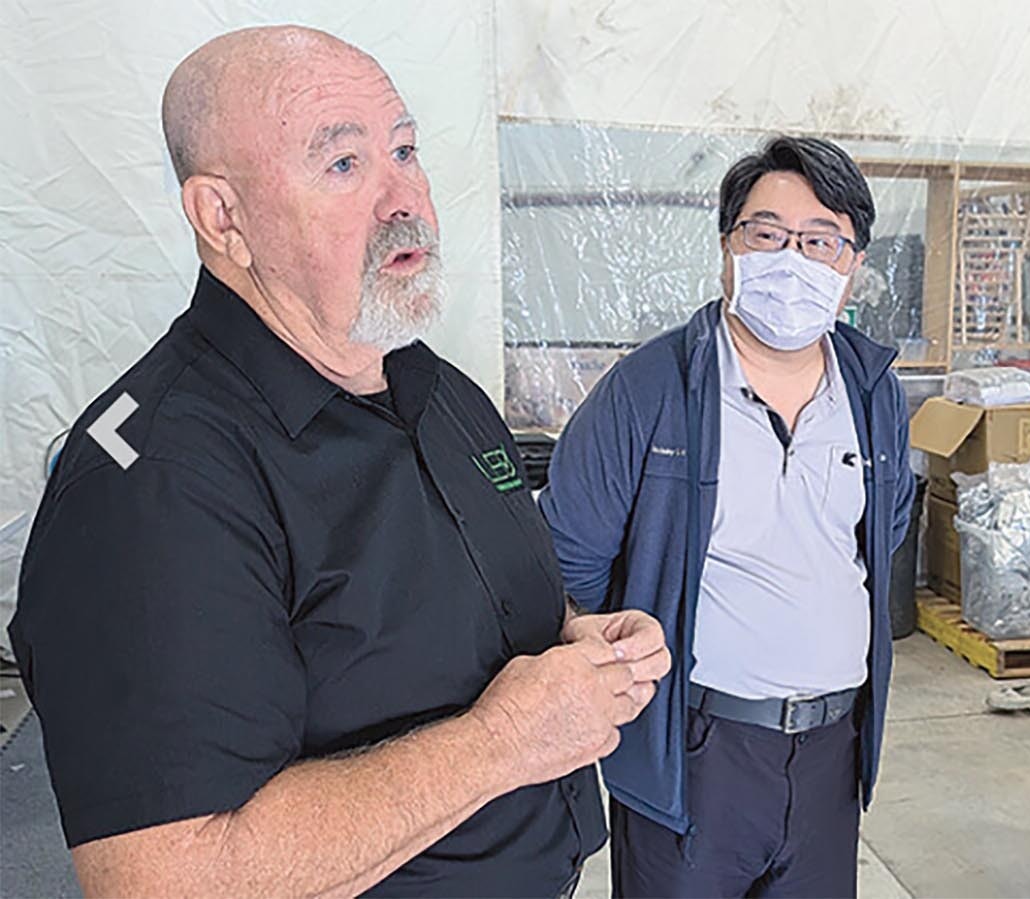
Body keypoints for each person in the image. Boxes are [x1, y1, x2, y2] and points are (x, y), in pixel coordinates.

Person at [9, 26, 669, 898]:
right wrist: (506, 740)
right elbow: (165, 876)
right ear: (223, 216)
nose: (405, 197)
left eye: (404, 148)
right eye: (344, 164)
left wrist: (567, 652)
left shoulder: (438, 391)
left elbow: (434, 630)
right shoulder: (149, 483)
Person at [539, 135, 914, 898]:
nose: (792, 258)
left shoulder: (875, 395)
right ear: (727, 249)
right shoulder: (650, 389)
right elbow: (566, 552)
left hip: (830, 753)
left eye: (820, 241)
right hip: (696, 747)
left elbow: (885, 534)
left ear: (853, 269)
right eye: (767, 234)